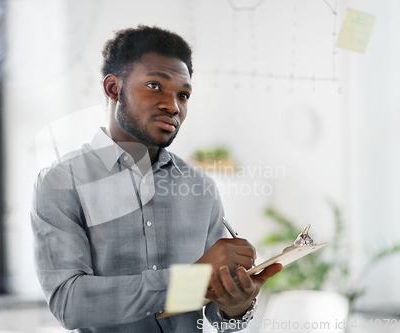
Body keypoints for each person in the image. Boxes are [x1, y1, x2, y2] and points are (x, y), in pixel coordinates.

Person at [31, 25, 282, 333]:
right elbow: (70, 304)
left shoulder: (201, 189)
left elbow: (215, 314)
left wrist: (235, 306)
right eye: (154, 86)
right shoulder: (61, 182)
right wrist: (193, 277)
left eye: (183, 95)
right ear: (113, 88)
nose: (173, 105)